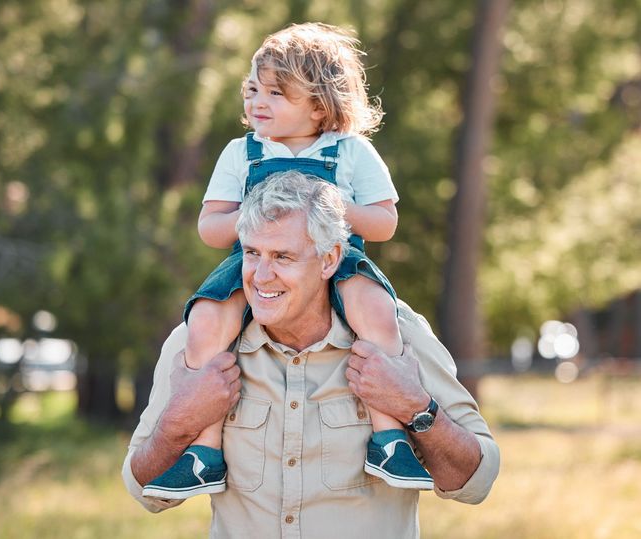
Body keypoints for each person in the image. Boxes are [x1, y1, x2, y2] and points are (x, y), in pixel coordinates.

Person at [142, 21, 431, 501]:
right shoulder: (242, 154)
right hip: (251, 262)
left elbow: (384, 223)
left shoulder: (351, 152)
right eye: (252, 89)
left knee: (377, 310)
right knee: (207, 319)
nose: (257, 102)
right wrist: (265, 219)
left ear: (319, 104)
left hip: (336, 259)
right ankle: (203, 452)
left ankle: (389, 439)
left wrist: (336, 206)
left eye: (276, 93)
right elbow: (210, 228)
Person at [122, 171, 500, 538]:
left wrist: (414, 406)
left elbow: (475, 481)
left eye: (283, 257)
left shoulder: (398, 335)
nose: (260, 275)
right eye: (252, 253)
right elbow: (143, 490)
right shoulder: (201, 342)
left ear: (329, 259)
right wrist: (178, 422)